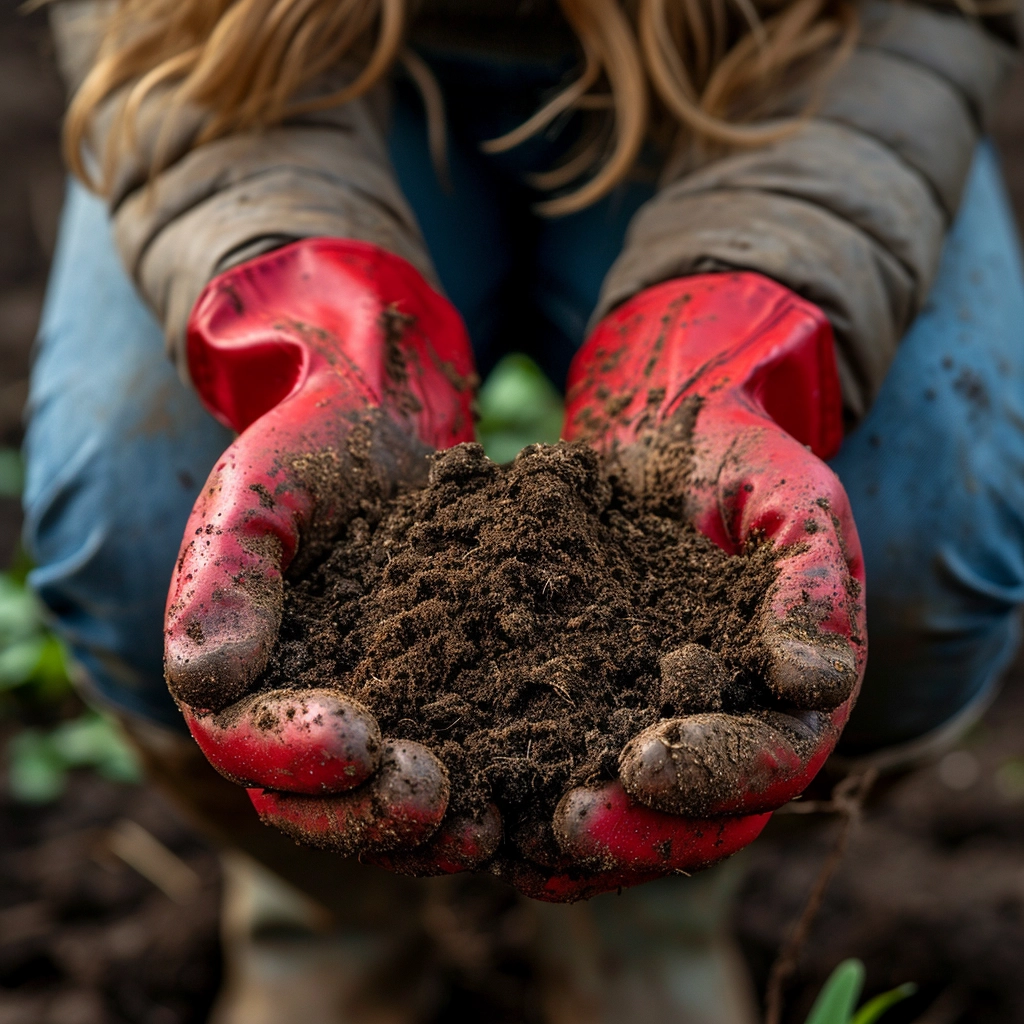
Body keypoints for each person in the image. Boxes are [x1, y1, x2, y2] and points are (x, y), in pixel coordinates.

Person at [24, 0, 1023, 1019]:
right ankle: (325, 910)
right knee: (136, 510)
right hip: (270, 79)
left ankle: (651, 899)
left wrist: (725, 343)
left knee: (916, 521)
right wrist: (315, 334)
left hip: (786, 72)